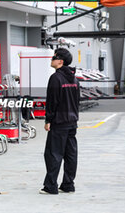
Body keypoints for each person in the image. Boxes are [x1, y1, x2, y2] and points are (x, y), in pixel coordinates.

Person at [40, 48, 80, 195]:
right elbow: (77, 102)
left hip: (59, 122)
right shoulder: (75, 79)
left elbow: (52, 101)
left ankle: (51, 186)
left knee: (53, 154)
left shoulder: (56, 78)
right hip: (72, 122)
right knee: (71, 154)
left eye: (54, 57)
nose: (51, 59)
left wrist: (48, 120)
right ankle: (68, 185)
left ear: (60, 61)